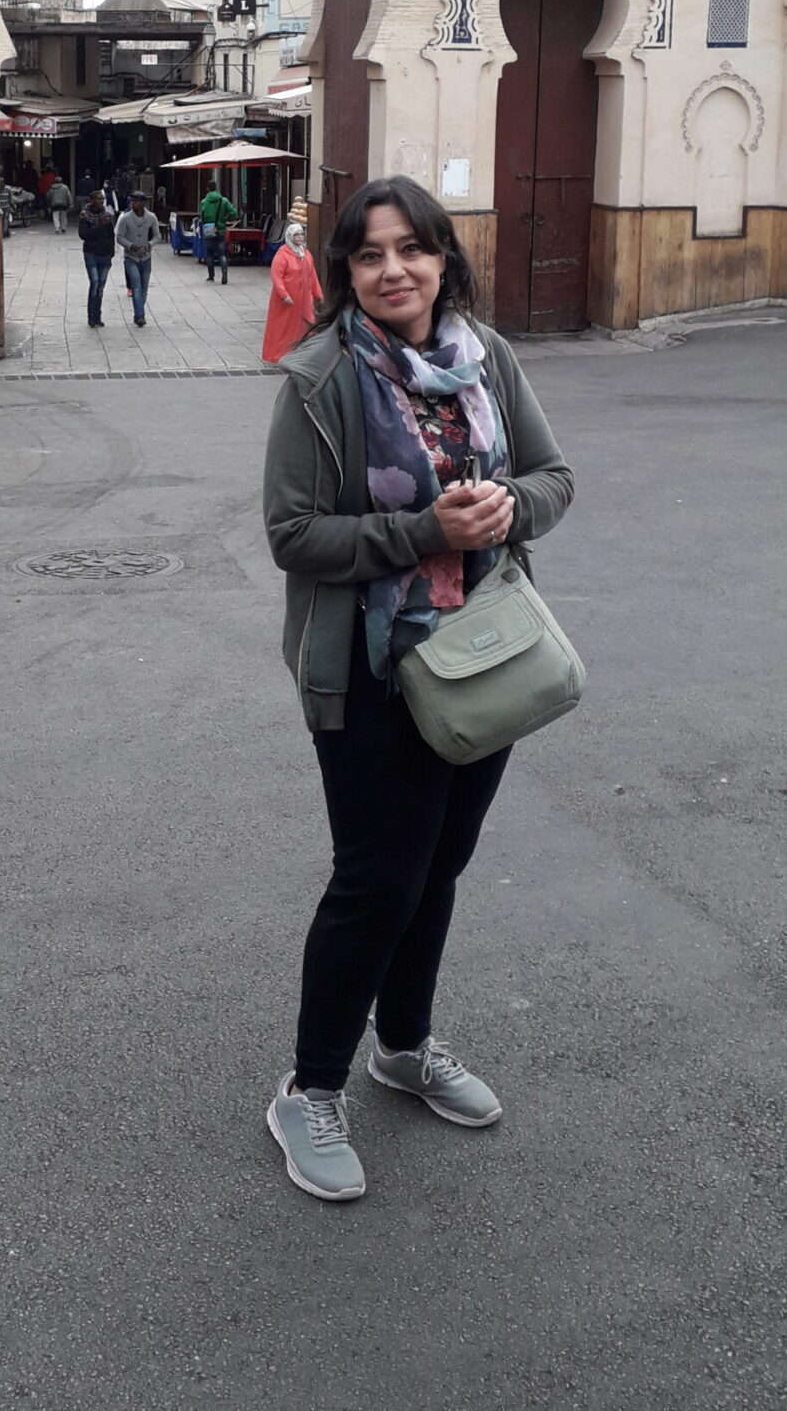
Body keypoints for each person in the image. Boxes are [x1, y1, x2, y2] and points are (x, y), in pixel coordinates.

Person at [262, 176, 574, 1202]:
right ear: (346, 272)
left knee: (440, 862)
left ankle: (402, 1046)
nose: (393, 270)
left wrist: (507, 507)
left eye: (412, 249)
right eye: (368, 254)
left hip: (483, 652)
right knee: (377, 879)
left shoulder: (490, 358)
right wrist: (425, 532)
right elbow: (293, 535)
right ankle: (308, 1086)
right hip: (370, 666)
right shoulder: (320, 378)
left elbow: (553, 476)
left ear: (445, 259)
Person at [262, 220, 322, 364]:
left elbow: (312, 275)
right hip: (287, 301)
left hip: (304, 300)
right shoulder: (282, 255)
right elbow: (277, 276)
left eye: (302, 234)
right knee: (283, 327)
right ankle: (278, 354)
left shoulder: (306, 253)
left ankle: (302, 353)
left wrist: (318, 294)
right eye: (297, 235)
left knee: (306, 324)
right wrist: (284, 295)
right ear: (290, 236)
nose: (300, 237)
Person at [115, 190, 160, 327]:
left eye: (136, 201)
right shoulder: (125, 218)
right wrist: (130, 245)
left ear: (143, 203)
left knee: (144, 288)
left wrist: (149, 244)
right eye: (132, 201)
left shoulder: (151, 218)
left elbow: (157, 236)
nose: (133, 203)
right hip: (131, 257)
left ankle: (138, 311)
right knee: (136, 286)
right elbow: (119, 236)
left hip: (146, 257)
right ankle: (140, 315)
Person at [78, 191, 115, 327]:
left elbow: (111, 235)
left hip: (104, 254)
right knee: (94, 282)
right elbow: (83, 235)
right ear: (92, 200)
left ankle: (97, 315)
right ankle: (91, 316)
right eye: (99, 199)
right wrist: (98, 225)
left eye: (102, 199)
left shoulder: (108, 216)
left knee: (100, 287)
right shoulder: (85, 215)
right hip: (91, 253)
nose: (101, 201)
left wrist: (111, 252)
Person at [200, 181, 238, 284]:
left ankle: (211, 276)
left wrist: (205, 223)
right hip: (220, 229)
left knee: (209, 254)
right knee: (222, 253)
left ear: (208, 189)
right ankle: (224, 273)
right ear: (216, 188)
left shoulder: (204, 202)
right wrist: (225, 219)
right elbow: (234, 213)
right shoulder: (223, 201)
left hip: (208, 229)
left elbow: (202, 217)